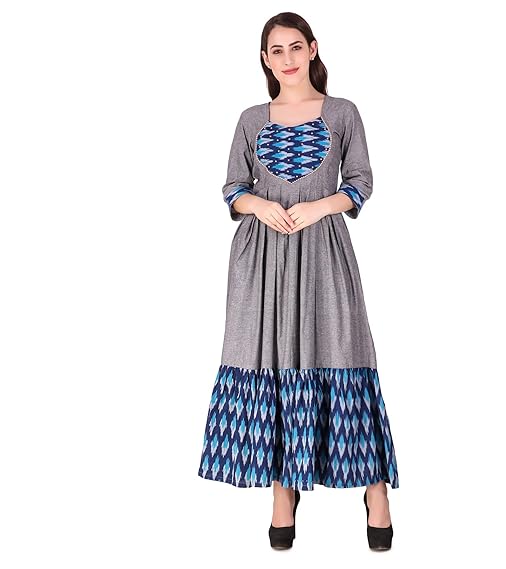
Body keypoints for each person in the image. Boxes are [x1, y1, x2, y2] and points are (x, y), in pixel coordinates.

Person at [197, 12, 399, 551]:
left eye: (294, 47)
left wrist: (318, 207)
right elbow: (232, 187)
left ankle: (375, 489)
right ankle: (282, 491)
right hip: (261, 258)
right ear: (265, 60)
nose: (286, 59)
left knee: (345, 352)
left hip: (324, 251)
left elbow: (360, 181)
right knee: (272, 356)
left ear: (312, 49)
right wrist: (258, 204)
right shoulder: (250, 119)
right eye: (276, 50)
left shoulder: (342, 112)